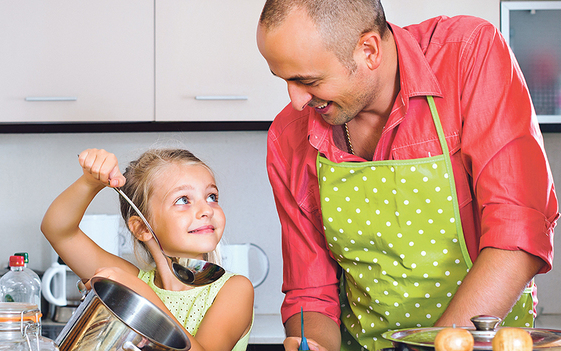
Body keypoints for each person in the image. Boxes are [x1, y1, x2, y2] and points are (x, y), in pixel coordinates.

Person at [256, 1, 559, 350]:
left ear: (369, 51)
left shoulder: (467, 55)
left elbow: (517, 236)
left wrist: (440, 345)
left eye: (307, 80)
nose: (295, 101)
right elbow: (310, 292)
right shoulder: (288, 135)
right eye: (285, 81)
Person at [41, 148, 254, 351]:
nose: (207, 209)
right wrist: (90, 182)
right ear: (143, 228)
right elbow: (59, 231)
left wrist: (140, 296)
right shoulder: (133, 280)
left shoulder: (234, 290)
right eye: (183, 200)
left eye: (211, 197)